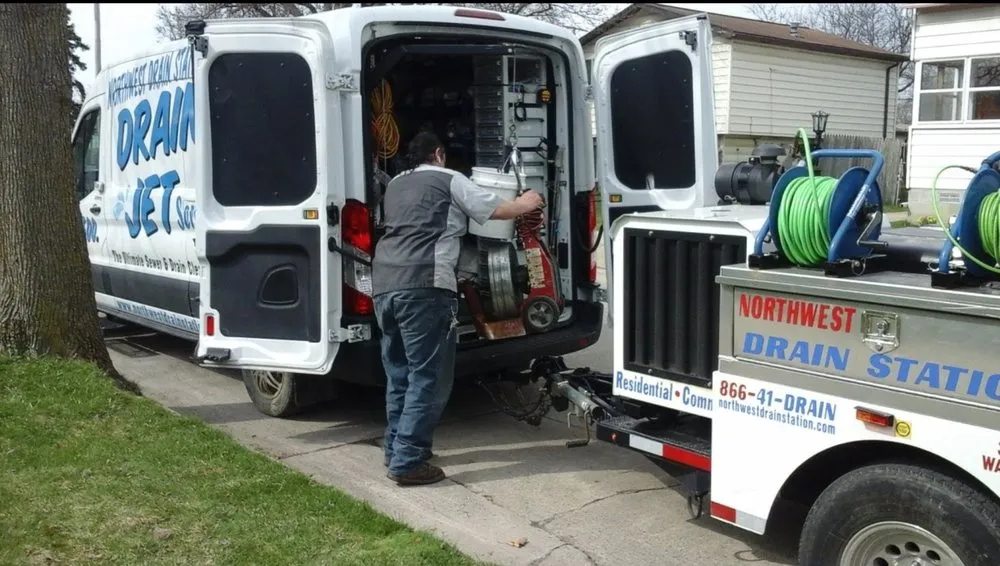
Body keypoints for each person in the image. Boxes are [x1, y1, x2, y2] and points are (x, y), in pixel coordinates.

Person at [372, 132, 544, 486]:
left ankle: (396, 447)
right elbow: (497, 210)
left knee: (400, 372)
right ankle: (407, 461)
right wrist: (529, 200)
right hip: (425, 285)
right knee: (428, 376)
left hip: (385, 285)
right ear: (438, 154)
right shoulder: (449, 178)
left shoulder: (395, 186)